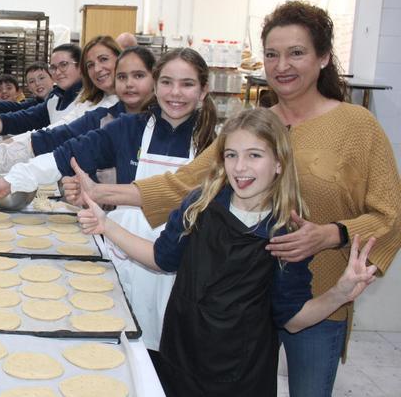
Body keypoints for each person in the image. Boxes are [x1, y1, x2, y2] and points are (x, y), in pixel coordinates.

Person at [64, 1, 401, 397]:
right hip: (244, 306)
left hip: (317, 299)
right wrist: (100, 193)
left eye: (297, 53)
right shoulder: (256, 126)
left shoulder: (356, 126)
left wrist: (327, 236)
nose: (282, 65)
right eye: (272, 54)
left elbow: (389, 216)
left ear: (324, 57)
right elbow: (186, 182)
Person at [77, 108, 378, 397]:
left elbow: (292, 319)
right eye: (231, 155)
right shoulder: (199, 206)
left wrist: (341, 292)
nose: (240, 167)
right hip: (181, 358)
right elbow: (160, 259)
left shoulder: (286, 232)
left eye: (254, 155)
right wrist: (106, 226)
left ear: (279, 163)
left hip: (243, 375)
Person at [0, 48, 216, 354]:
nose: (175, 93)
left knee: (168, 354)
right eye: (167, 82)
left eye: (187, 84)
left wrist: (100, 193)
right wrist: (11, 181)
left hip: (181, 267)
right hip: (124, 255)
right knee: (117, 347)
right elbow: (65, 154)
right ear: (157, 86)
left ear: (204, 89)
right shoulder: (129, 128)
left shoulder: (215, 142)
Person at [0, 46, 156, 175]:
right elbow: (49, 133)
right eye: (90, 64)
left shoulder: (113, 112)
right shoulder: (82, 102)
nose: (98, 69)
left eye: (138, 75)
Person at [0, 43, 84, 135]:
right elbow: (22, 117)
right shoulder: (55, 100)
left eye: (63, 65)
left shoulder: (90, 101)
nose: (58, 72)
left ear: (81, 65)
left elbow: (53, 137)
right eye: (53, 67)